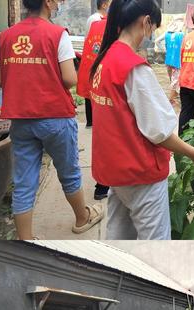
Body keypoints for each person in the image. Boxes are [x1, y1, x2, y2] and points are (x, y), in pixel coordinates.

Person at [89, 0, 194, 240]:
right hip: (140, 171)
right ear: (145, 22)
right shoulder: (133, 68)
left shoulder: (105, 59)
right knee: (156, 241)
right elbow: (159, 132)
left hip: (116, 169)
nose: (151, 34)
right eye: (153, 27)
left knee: (118, 238)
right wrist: (193, 153)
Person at [0, 0, 104, 240]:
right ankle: (82, 217)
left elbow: (1, 78)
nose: (59, 2)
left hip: (21, 118)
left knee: (24, 181)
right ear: (47, 2)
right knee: (68, 171)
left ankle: (25, 239)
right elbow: (69, 79)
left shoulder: (6, 36)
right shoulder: (57, 34)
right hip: (55, 116)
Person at [77, 15, 111, 200]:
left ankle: (102, 185)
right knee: (109, 137)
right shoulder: (117, 25)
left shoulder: (95, 24)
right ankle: (103, 185)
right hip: (108, 84)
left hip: (96, 77)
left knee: (102, 136)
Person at [155, 18, 185, 106]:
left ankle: (176, 96)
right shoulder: (182, 35)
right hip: (177, 61)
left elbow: (157, 41)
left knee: (172, 79)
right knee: (175, 81)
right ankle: (171, 99)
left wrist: (164, 49)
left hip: (168, 60)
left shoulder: (167, 34)